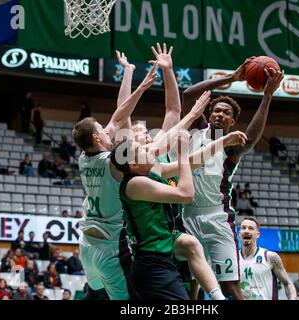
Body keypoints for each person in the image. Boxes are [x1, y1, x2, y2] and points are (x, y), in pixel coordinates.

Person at [180, 56, 284, 299]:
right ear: (209, 113)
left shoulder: (233, 146)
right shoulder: (197, 130)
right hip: (186, 214)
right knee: (191, 284)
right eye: (216, 110)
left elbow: (252, 137)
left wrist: (267, 96)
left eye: (226, 113)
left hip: (217, 217)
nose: (219, 115)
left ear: (233, 121)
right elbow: (187, 96)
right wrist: (231, 78)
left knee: (229, 287)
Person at [112, 130, 243, 300]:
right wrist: (182, 153)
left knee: (190, 244)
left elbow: (192, 161)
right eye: (142, 150)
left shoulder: (151, 171)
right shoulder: (136, 184)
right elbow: (186, 194)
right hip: (151, 264)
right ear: (133, 163)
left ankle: (218, 297)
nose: (148, 149)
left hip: (165, 247)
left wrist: (224, 141)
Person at [72, 57, 157, 300]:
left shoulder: (83, 156)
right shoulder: (113, 160)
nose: (106, 128)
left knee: (95, 295)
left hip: (87, 246)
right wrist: (141, 88)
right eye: (102, 128)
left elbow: (119, 115)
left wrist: (129, 72)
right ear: (97, 138)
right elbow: (121, 118)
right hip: (110, 247)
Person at [238, 216, 296, 300]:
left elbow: (288, 284)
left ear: (258, 234)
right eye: (243, 228)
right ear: (239, 233)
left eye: (250, 228)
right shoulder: (234, 259)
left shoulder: (270, 257)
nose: (246, 231)